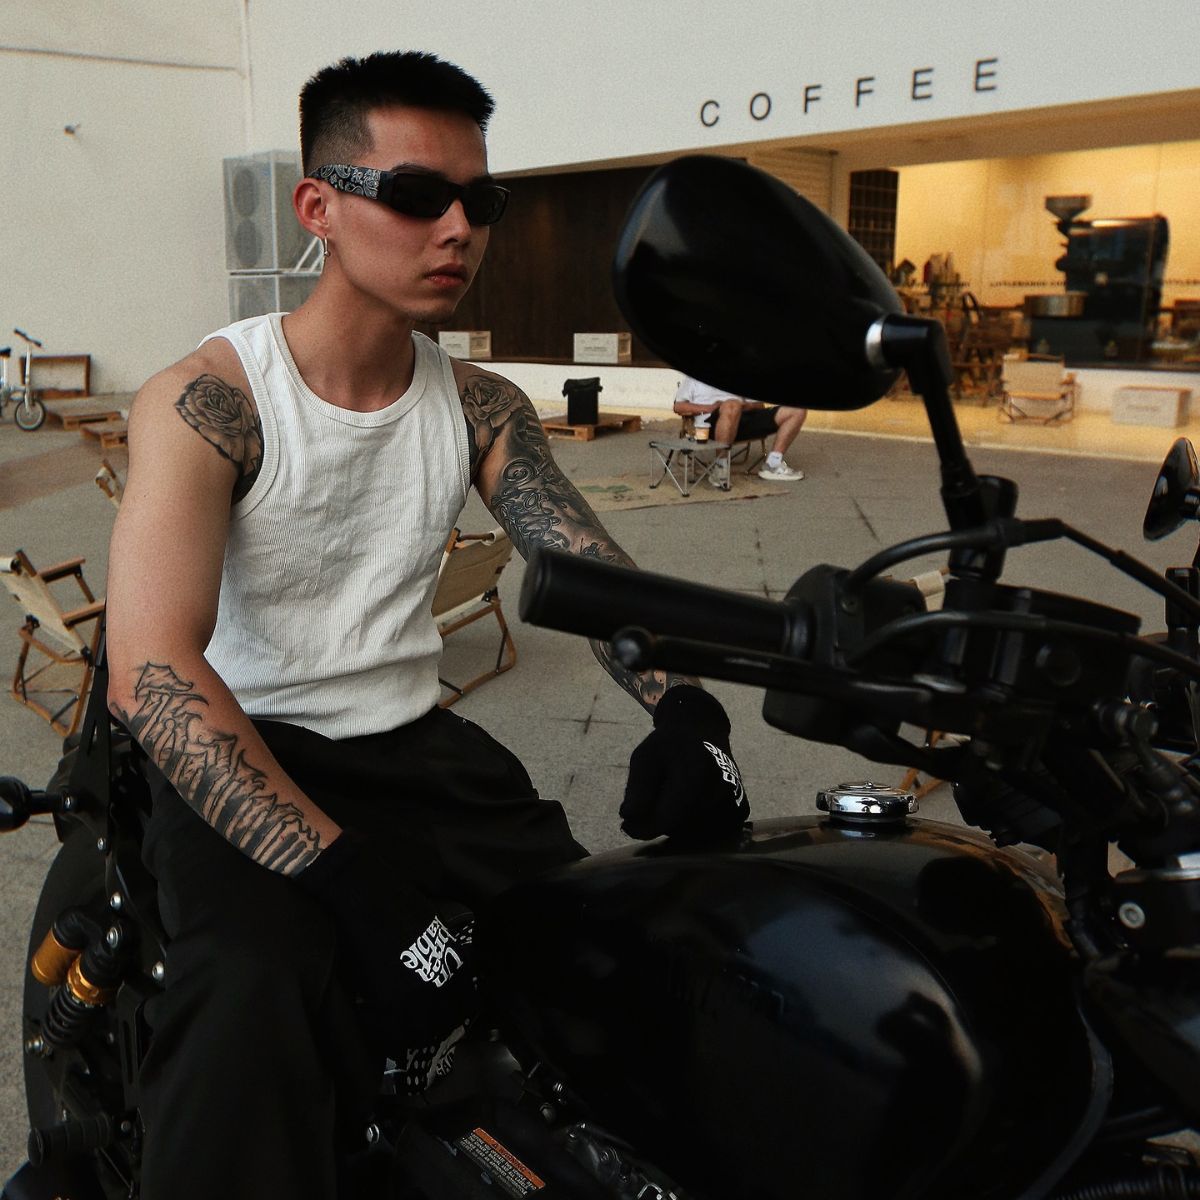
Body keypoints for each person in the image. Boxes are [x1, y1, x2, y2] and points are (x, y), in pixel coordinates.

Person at [104, 51, 748, 1200]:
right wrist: (343, 878)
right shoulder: (214, 400)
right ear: (319, 207)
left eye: (480, 200)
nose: (459, 229)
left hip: (413, 746)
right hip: (237, 746)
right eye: (416, 195)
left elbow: (587, 567)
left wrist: (687, 707)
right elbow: (149, 666)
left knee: (607, 950)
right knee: (249, 1003)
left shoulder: (479, 404)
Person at [673, 374, 807, 484]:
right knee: (731, 405)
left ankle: (773, 464)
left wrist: (745, 406)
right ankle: (720, 467)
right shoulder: (695, 377)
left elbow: (759, 405)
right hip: (710, 423)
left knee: (797, 409)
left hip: (744, 418)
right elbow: (678, 406)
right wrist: (711, 408)